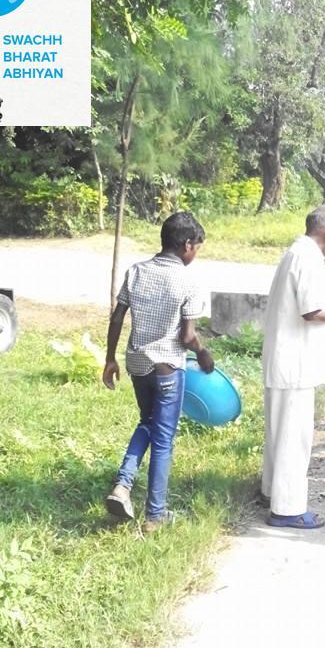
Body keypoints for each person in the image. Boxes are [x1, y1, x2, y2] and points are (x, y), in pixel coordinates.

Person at [102, 211, 214, 531]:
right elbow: (186, 337)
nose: (196, 254)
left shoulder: (136, 271)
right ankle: (155, 515)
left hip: (137, 363)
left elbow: (116, 317)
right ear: (186, 244)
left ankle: (123, 485)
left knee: (146, 423)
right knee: (163, 439)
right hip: (167, 368)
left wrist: (110, 359)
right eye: (197, 248)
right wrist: (203, 354)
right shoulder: (189, 280)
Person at [261, 205, 325, 529]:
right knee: (293, 438)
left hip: (285, 360)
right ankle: (287, 510)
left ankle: (272, 491)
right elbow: (312, 311)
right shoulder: (309, 257)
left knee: (279, 432)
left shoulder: (295, 252)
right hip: (294, 364)